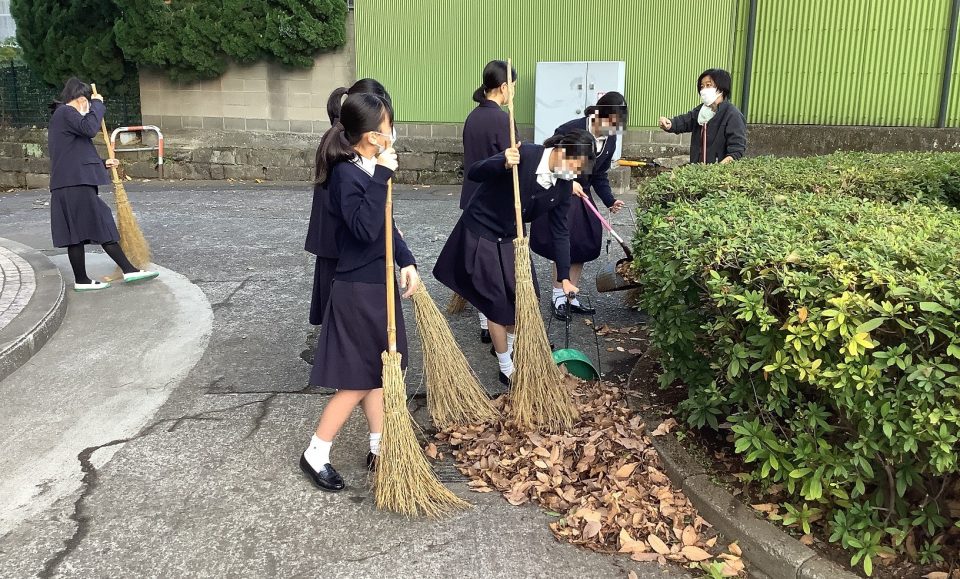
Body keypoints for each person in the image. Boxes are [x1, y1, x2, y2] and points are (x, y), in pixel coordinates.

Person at [300, 93, 420, 492]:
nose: (393, 133)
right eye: (389, 126)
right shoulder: (346, 174)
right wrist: (383, 174)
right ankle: (316, 452)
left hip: (377, 281)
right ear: (372, 136)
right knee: (356, 379)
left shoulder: (366, 166)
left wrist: (407, 262)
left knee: (379, 373)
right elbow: (365, 229)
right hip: (357, 289)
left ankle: (380, 445)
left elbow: (388, 225)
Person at [433, 129, 597, 385]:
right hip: (482, 232)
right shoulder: (526, 154)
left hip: (512, 238)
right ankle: (506, 367)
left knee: (523, 299)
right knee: (498, 305)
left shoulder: (563, 186)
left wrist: (564, 277)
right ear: (561, 150)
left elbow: (561, 233)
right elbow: (474, 172)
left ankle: (507, 346)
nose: (575, 173)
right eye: (575, 165)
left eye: (580, 170)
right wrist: (500, 162)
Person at [302, 79, 394, 364]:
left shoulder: (351, 147)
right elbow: (353, 210)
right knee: (338, 303)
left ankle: (343, 360)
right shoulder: (343, 156)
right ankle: (339, 362)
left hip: (342, 234)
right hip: (337, 239)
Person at [47, 78, 158, 291]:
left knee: (76, 234)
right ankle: (129, 270)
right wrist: (98, 104)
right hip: (74, 184)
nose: (89, 108)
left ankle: (82, 280)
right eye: (87, 103)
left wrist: (102, 163)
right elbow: (90, 128)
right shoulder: (67, 112)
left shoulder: (63, 119)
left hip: (69, 183)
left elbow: (73, 154)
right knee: (102, 220)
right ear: (81, 100)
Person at [530, 92, 629, 319]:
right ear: (597, 113)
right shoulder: (570, 129)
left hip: (582, 194)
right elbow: (548, 160)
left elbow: (599, 175)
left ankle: (570, 295)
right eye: (609, 121)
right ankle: (558, 296)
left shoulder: (610, 141)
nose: (612, 128)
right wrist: (568, 182)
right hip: (559, 191)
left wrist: (610, 200)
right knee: (562, 241)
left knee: (584, 242)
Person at [460, 60, 517, 344]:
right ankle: (506, 345)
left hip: (472, 202)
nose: (513, 93)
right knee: (499, 278)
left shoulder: (473, 116)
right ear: (504, 87)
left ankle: (486, 326)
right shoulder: (501, 119)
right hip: (495, 209)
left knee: (480, 272)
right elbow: (515, 163)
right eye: (513, 87)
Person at [658, 68, 747, 165]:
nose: (704, 90)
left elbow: (736, 151)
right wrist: (670, 123)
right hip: (698, 168)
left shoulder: (732, 114)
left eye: (708, 85)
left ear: (721, 88)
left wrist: (717, 170)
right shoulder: (701, 110)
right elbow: (686, 121)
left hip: (718, 174)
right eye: (702, 86)